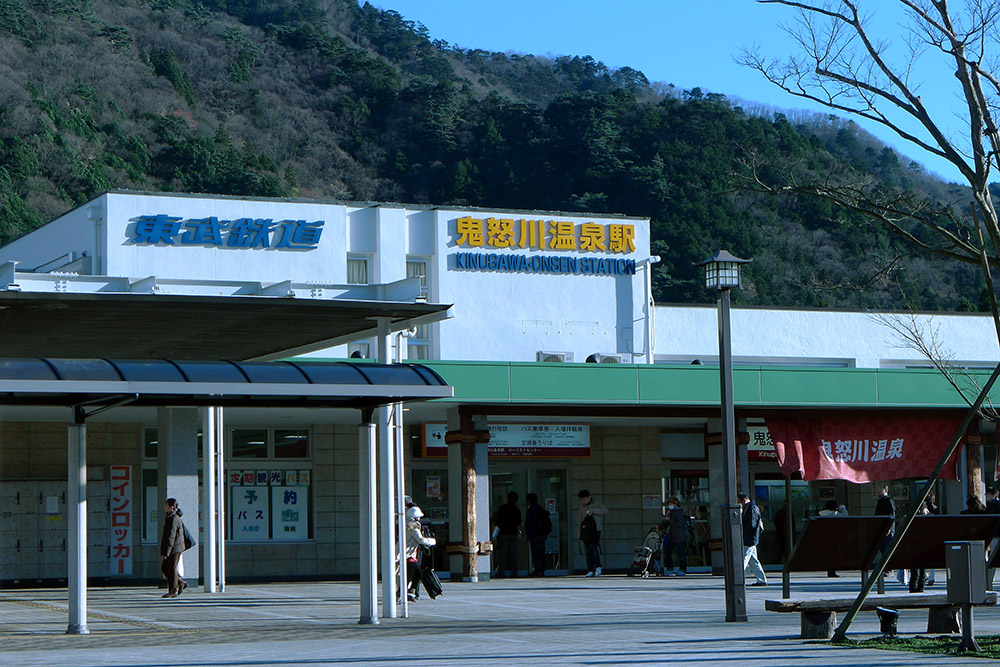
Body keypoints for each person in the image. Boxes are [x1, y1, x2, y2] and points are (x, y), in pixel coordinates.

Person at [405, 505, 436, 601]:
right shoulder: (412, 527)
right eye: (418, 517)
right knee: (412, 575)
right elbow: (420, 539)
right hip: (408, 554)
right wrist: (432, 541)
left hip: (410, 553)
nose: (419, 519)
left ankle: (408, 591)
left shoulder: (407, 524)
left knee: (415, 574)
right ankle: (403, 592)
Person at [159, 498, 187, 599]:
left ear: (171, 508)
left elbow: (171, 536)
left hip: (175, 548)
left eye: (166, 506)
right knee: (165, 568)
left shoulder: (174, 519)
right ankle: (180, 582)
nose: (164, 508)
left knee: (171, 568)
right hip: (173, 548)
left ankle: (173, 590)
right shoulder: (170, 517)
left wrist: (166, 552)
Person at [738, 492, 766, 587]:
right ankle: (761, 579)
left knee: (744, 559)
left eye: (740, 502)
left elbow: (752, 524)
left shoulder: (752, 509)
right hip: (751, 538)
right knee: (753, 561)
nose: (739, 505)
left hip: (749, 538)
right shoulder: (750, 508)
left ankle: (738, 580)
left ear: (744, 500)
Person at [577, 489, 607, 577]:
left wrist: (593, 511)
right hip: (586, 530)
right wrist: (579, 529)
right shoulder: (581, 506)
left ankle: (598, 566)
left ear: (589, 497)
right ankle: (590, 569)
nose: (583, 501)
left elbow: (605, 510)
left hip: (596, 529)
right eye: (582, 499)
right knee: (587, 550)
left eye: (585, 499)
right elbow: (579, 518)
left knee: (593, 548)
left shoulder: (596, 503)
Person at [492, 491, 522, 578]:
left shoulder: (503, 508)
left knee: (502, 554)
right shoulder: (517, 510)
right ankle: (514, 572)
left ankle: (501, 571)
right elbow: (518, 523)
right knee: (513, 554)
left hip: (504, 534)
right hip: (513, 534)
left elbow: (498, 521)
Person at [658, 496, 690, 576]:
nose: (669, 505)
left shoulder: (679, 512)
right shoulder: (670, 512)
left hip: (681, 536)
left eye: (671, 503)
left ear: (675, 504)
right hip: (672, 536)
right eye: (669, 503)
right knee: (668, 552)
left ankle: (682, 569)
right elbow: (666, 523)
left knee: (681, 554)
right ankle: (670, 568)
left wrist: (669, 520)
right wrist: (660, 527)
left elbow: (678, 524)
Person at [818, 499, 848, 577]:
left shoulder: (820, 514)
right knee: (833, 555)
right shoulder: (834, 514)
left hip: (823, 537)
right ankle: (832, 571)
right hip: (833, 538)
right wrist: (842, 507)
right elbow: (846, 516)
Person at [524, 492, 550, 577]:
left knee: (535, 553)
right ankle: (541, 569)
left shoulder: (531, 511)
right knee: (541, 553)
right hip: (542, 535)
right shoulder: (541, 510)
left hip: (534, 535)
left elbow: (528, 524)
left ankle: (537, 570)